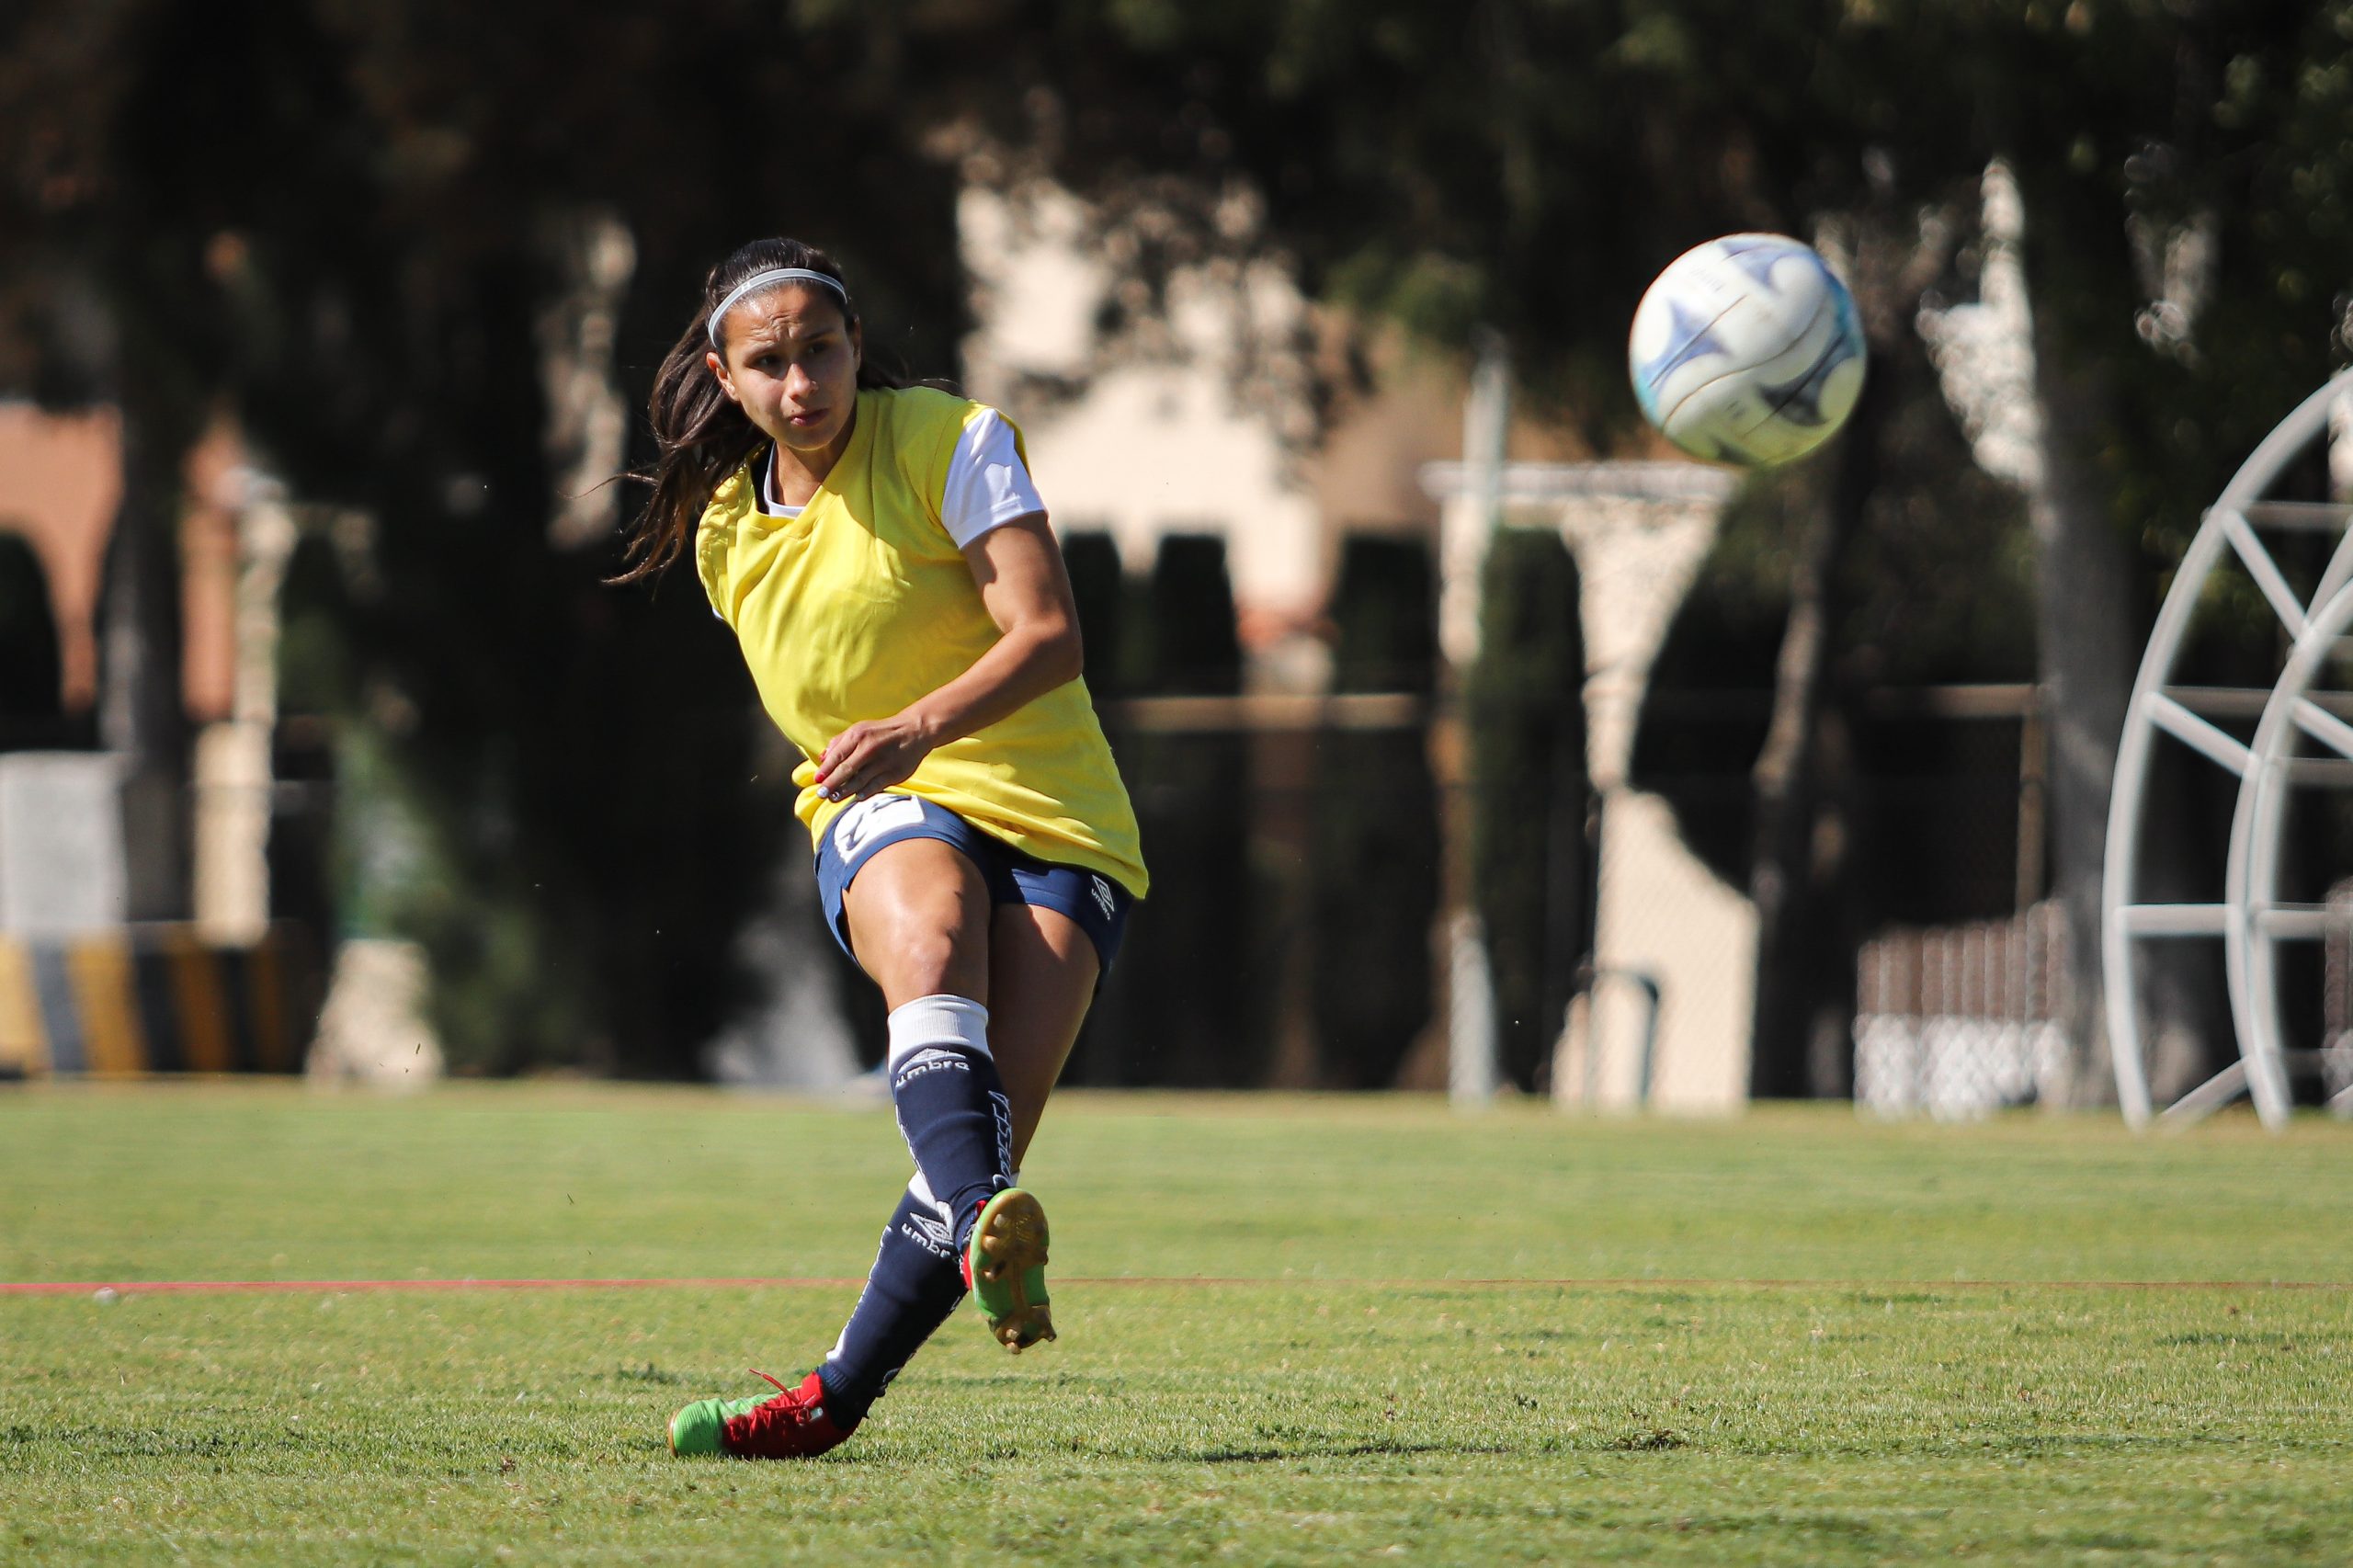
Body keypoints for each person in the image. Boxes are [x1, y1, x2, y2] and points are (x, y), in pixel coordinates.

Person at [617, 238, 1148, 1460]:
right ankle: (981, 1222)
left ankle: (828, 1401)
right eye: (770, 363)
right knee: (933, 931)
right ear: (727, 375)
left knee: (986, 1130)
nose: (801, 382)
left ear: (857, 349)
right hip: (885, 804)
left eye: (821, 351)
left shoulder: (951, 442)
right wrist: (897, 760)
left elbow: (1052, 633)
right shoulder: (721, 535)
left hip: (1059, 814)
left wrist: (915, 726)